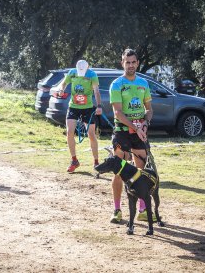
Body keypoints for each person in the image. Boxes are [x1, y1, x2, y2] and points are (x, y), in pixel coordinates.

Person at [109, 49, 153, 223]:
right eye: (127, 62)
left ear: (138, 63)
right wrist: (135, 126)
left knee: (140, 172)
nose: (131, 65)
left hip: (140, 133)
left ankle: (143, 209)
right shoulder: (117, 84)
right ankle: (117, 209)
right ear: (122, 63)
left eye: (133, 62)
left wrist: (145, 123)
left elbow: (149, 109)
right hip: (122, 132)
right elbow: (118, 112)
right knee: (119, 172)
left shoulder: (143, 83)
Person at [59, 60, 102, 172]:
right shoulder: (72, 72)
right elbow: (64, 83)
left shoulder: (92, 75)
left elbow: (96, 91)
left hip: (87, 108)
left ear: (87, 68)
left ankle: (96, 161)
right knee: (69, 132)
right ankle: (74, 160)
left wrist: (99, 106)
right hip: (73, 106)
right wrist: (61, 90)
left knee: (91, 134)